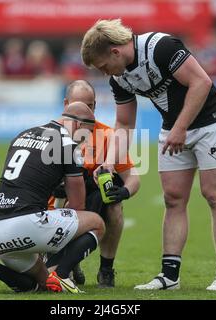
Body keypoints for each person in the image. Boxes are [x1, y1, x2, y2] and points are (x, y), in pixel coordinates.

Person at [81, 19, 216, 291]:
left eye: (104, 66)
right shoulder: (120, 78)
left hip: (210, 123)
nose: (106, 73)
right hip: (173, 129)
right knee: (173, 198)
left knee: (215, 196)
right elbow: (124, 124)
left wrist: (180, 128)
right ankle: (169, 277)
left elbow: (201, 83)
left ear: (115, 52)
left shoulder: (160, 47)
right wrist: (107, 163)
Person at [0, 102, 105, 294]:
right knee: (96, 223)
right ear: (79, 125)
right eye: (87, 133)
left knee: (44, 284)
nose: (86, 140)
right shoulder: (68, 144)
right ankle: (63, 274)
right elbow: (77, 206)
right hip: (28, 223)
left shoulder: (23, 134)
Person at [47, 80, 140, 288]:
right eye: (79, 104)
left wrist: (124, 192)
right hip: (55, 209)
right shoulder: (51, 136)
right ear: (66, 104)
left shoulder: (107, 136)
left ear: (96, 106)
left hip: (87, 203)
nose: (85, 111)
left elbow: (133, 178)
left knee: (113, 205)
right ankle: (68, 262)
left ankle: (106, 270)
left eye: (90, 105)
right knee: (42, 279)